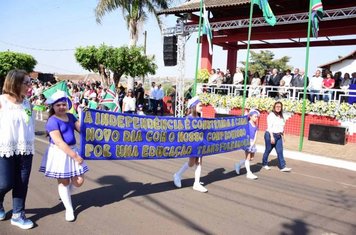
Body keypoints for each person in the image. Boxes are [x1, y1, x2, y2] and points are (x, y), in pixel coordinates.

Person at [39, 90, 88, 222]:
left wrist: (88, 117)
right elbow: (59, 142)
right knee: (64, 181)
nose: (61, 107)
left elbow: (82, 129)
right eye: (58, 105)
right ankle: (69, 208)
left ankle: (65, 193)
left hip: (72, 149)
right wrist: (75, 156)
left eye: (63, 104)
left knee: (78, 182)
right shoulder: (52, 121)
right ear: (53, 107)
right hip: (60, 153)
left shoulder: (71, 116)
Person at [0, 69, 35, 229]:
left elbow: (28, 124)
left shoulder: (27, 102)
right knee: (5, 183)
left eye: (30, 82)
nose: (30, 85)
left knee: (21, 183)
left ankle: (17, 214)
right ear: (14, 83)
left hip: (25, 149)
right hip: (5, 148)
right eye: (26, 82)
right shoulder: (2, 101)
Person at [173, 96, 208, 193]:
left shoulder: (200, 117)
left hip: (199, 143)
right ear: (193, 106)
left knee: (199, 161)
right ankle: (178, 175)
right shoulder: (188, 118)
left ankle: (196, 183)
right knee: (192, 163)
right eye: (200, 105)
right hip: (191, 144)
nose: (201, 107)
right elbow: (182, 131)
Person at [261, 101, 291, 172]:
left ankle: (282, 167)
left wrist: (284, 137)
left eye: (279, 107)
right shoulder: (271, 115)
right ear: (274, 107)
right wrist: (271, 137)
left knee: (280, 151)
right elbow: (270, 127)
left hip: (278, 135)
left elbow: (282, 128)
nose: (278, 108)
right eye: (277, 106)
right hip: (270, 135)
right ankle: (264, 163)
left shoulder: (281, 116)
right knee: (268, 150)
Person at [235, 109, 260, 180]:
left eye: (257, 117)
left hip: (252, 143)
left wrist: (253, 143)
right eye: (255, 116)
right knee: (248, 158)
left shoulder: (256, 125)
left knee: (251, 158)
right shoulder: (247, 124)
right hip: (247, 142)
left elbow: (255, 135)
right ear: (251, 116)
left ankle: (239, 164)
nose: (256, 118)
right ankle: (249, 173)